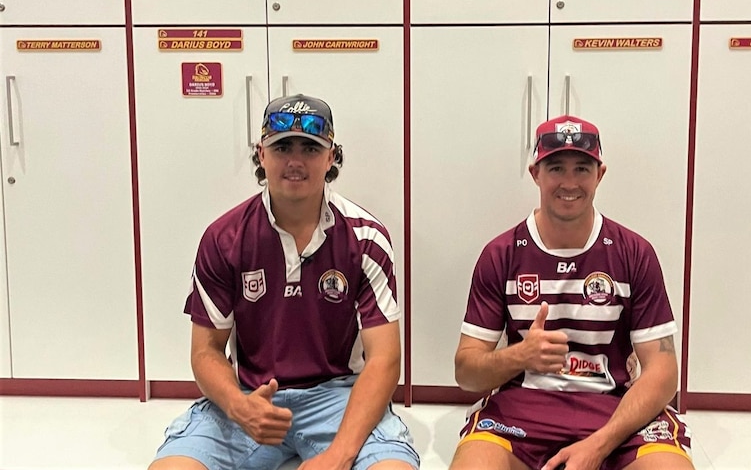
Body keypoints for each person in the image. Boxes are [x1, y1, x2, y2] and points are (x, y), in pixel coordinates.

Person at [149, 94, 419, 470]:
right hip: (250, 395)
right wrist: (239, 406)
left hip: (340, 397)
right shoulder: (224, 238)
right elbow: (206, 351)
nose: (295, 161)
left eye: (310, 147)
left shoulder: (366, 238)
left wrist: (338, 456)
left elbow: (385, 358)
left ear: (331, 157)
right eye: (282, 147)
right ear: (262, 154)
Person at [450, 115, 693, 470]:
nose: (569, 182)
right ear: (535, 174)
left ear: (600, 174)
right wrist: (520, 356)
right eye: (556, 168)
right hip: (522, 410)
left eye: (581, 168)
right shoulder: (501, 254)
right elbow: (466, 373)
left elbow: (664, 371)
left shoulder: (634, 253)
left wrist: (599, 445)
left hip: (616, 411)